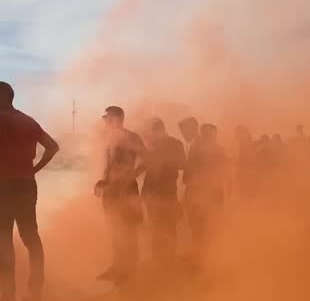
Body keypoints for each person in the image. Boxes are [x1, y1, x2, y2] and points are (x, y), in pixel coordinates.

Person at [0, 81, 59, 301]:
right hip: (26, 184)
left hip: (3, 187)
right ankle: (35, 291)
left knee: (2, 240)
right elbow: (53, 146)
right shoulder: (28, 120)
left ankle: (8, 299)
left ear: (2, 96)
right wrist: (33, 170)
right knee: (31, 237)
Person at [95, 106, 145, 282]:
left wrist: (131, 175)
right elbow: (110, 165)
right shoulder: (110, 139)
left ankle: (130, 270)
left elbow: (146, 159)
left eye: (108, 118)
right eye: (105, 118)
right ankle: (117, 267)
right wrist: (102, 182)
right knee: (114, 228)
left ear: (118, 118)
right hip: (111, 191)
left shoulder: (131, 137)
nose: (106, 121)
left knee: (128, 229)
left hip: (126, 189)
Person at [142, 118, 186, 266]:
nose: (150, 135)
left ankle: (169, 259)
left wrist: (164, 159)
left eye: (152, 132)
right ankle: (158, 258)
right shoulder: (152, 145)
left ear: (159, 130)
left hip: (167, 192)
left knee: (169, 226)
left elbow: (182, 164)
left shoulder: (175, 144)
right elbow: (146, 166)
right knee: (155, 226)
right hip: (151, 193)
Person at [184, 123, 228, 266]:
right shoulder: (217, 149)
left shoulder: (197, 148)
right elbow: (224, 171)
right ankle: (204, 258)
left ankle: (201, 259)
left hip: (203, 193)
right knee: (205, 227)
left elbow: (189, 173)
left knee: (200, 227)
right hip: (209, 192)